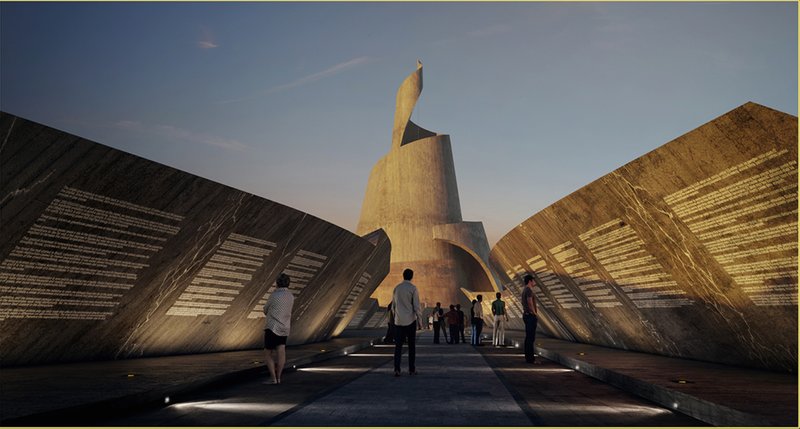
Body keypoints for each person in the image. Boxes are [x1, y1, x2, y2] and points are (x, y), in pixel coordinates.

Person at [263, 273, 295, 384]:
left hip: (272, 327)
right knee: (281, 351)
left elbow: (265, 309)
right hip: (284, 327)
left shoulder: (274, 295)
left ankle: (273, 379)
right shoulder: (290, 296)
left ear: (277, 283)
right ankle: (279, 377)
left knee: (268, 353)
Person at [392, 268, 423, 376]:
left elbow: (393, 306)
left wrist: (395, 318)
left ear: (403, 276)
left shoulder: (397, 288)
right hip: (410, 321)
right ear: (411, 276)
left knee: (398, 347)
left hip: (398, 321)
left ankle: (397, 369)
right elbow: (416, 306)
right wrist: (420, 321)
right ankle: (411, 369)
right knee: (411, 346)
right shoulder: (413, 288)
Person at [522, 274, 539, 363]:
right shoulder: (528, 290)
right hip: (530, 316)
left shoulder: (525, 290)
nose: (534, 282)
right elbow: (529, 302)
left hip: (526, 315)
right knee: (531, 338)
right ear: (530, 281)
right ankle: (530, 359)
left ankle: (528, 357)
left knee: (528, 337)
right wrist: (534, 313)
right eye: (533, 280)